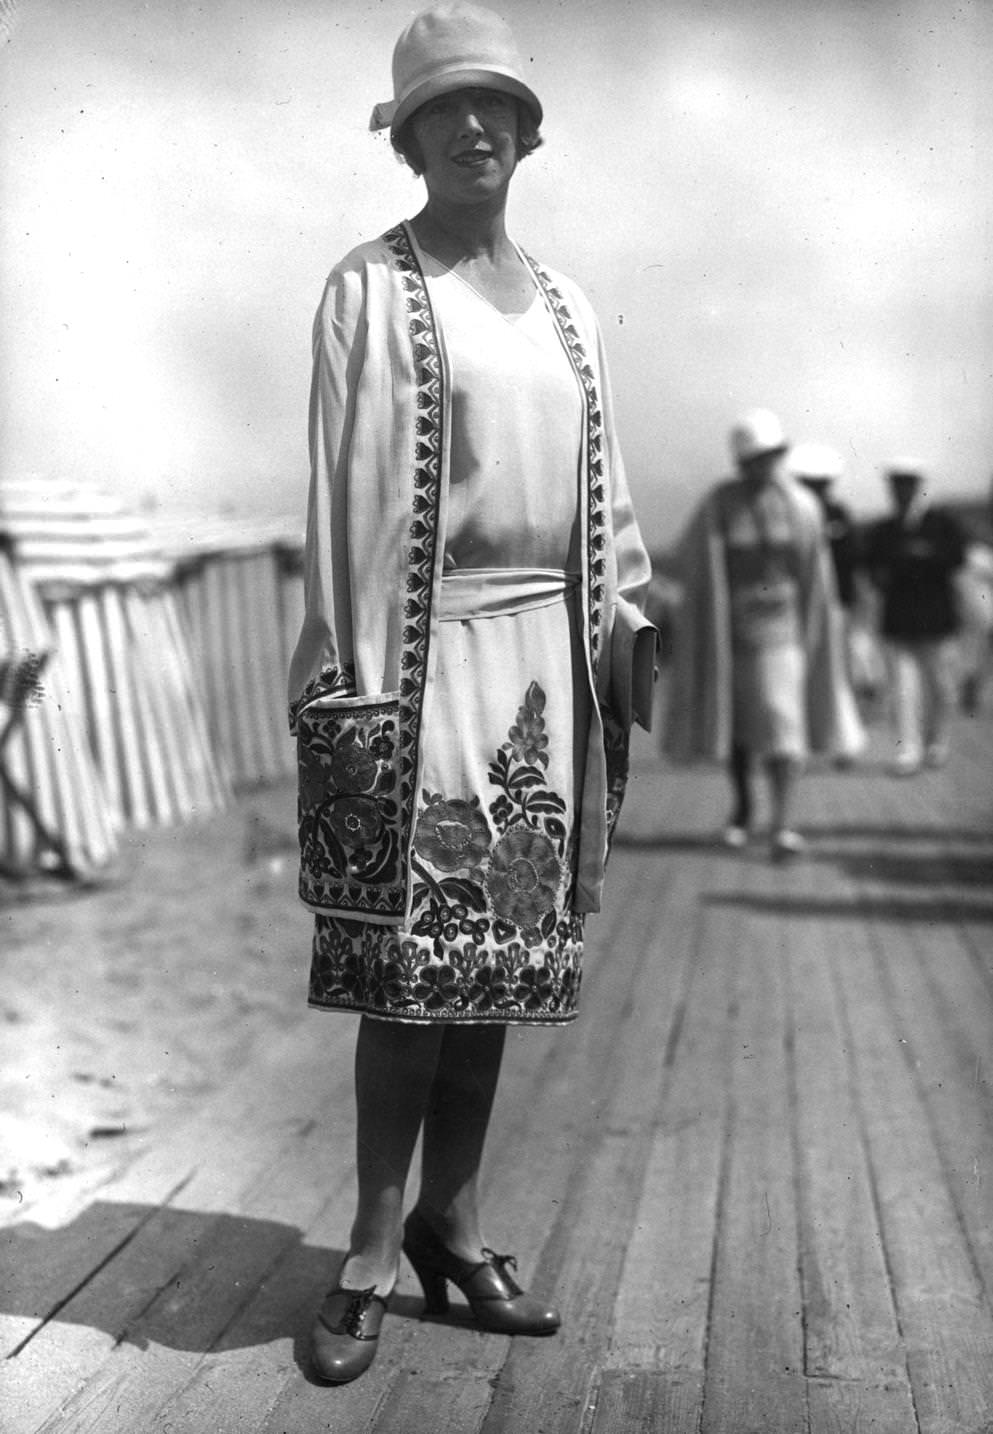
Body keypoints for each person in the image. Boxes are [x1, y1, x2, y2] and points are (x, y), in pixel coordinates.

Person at [287, 2, 655, 1386]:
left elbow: (602, 504)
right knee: (407, 974)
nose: (475, 128)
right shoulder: (368, 292)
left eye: (495, 106)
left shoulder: (565, 307)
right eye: (447, 110)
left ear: (527, 133)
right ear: (413, 139)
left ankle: (455, 1221)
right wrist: (348, 688)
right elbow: (339, 506)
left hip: (541, 674)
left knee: (495, 967)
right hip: (417, 655)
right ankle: (375, 1239)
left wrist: (624, 622)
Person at [663, 409, 857, 859]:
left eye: (770, 455)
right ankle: (744, 811)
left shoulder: (802, 506)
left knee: (782, 723)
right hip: (729, 635)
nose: (762, 466)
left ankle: (783, 823)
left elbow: (815, 574)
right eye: (753, 458)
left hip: (783, 635)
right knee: (736, 729)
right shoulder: (720, 504)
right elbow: (691, 557)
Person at [862, 462, 967, 773]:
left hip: (936, 621)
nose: (901, 493)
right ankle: (909, 749)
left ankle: (937, 742)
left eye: (907, 486)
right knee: (904, 690)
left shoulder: (942, 524)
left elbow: (954, 559)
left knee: (942, 687)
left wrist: (916, 557)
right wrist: (917, 557)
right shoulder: (884, 529)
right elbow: (875, 569)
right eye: (896, 486)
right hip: (900, 621)